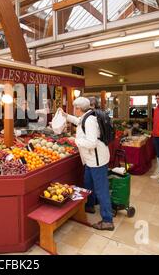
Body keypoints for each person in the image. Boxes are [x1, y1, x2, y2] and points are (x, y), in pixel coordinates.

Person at [60, 97, 114, 231]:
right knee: (88, 182)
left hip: (97, 160)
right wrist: (66, 116)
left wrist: (75, 141)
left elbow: (92, 143)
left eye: (74, 108)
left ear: (78, 108)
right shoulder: (87, 115)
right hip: (91, 160)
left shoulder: (89, 120)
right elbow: (78, 121)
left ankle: (107, 220)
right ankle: (89, 205)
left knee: (102, 190)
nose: (74, 110)